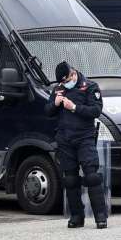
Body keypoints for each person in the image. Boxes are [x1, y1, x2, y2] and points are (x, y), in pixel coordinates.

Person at [45, 61, 108, 229]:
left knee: (92, 176)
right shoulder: (58, 89)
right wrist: (55, 104)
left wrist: (74, 107)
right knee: (70, 179)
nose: (64, 85)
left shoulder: (89, 87)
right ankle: (76, 216)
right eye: (61, 83)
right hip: (65, 138)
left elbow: (96, 111)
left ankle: (100, 216)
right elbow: (48, 111)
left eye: (66, 81)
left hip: (84, 137)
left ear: (72, 74)